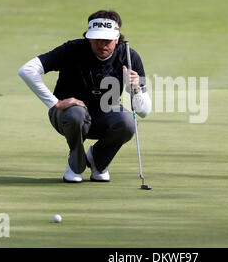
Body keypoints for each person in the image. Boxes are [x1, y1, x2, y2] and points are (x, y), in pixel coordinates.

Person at [18, 10, 151, 183]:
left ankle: (98, 161)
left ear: (117, 39)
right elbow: (27, 70)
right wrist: (55, 103)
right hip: (67, 116)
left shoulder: (128, 56)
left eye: (107, 40)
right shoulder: (72, 49)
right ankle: (76, 164)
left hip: (105, 116)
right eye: (96, 40)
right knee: (76, 114)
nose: (101, 44)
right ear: (88, 37)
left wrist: (134, 88)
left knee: (128, 122)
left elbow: (144, 112)